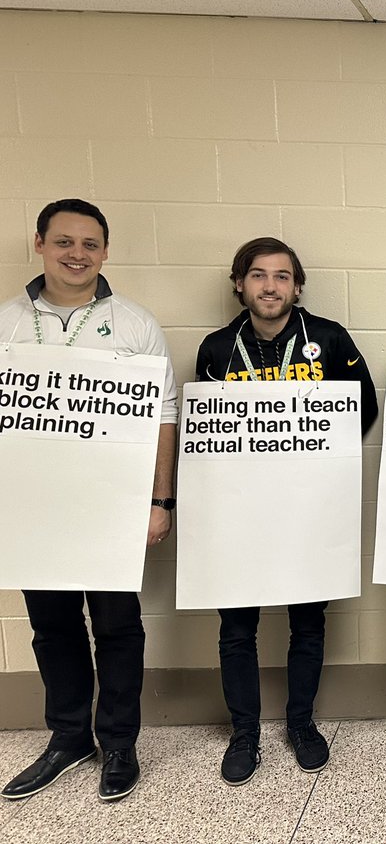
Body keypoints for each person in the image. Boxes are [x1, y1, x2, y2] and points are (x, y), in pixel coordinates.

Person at [0, 199, 178, 803]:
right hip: (35, 509)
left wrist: (161, 501)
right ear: (40, 243)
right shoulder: (8, 323)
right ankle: (68, 736)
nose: (77, 254)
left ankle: (119, 742)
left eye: (90, 244)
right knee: (52, 629)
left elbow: (164, 416)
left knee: (118, 627)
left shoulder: (133, 323)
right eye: (64, 242)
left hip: (111, 507)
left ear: (106, 250)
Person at [195, 237, 379, 786]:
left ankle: (301, 723)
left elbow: (362, 406)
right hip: (239, 513)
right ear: (239, 284)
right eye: (258, 275)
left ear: (296, 286)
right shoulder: (217, 348)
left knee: (307, 622)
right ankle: (244, 732)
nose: (270, 286)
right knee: (236, 627)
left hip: (308, 510)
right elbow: (204, 429)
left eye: (281, 276)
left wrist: (322, 463)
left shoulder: (328, 338)